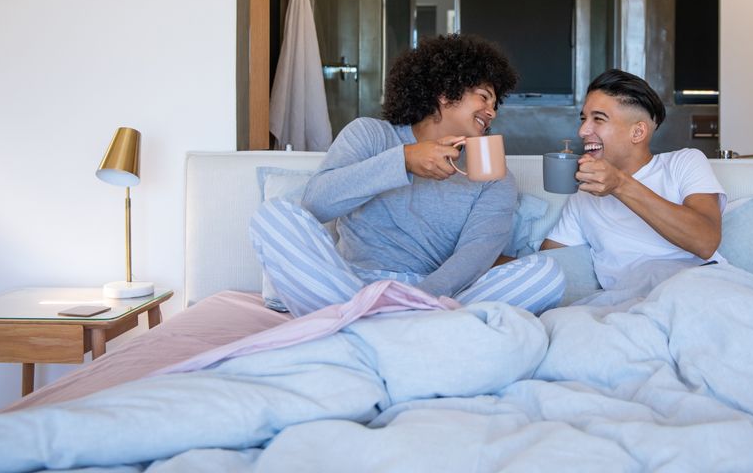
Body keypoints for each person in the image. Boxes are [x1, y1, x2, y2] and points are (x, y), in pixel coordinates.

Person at [250, 34, 565, 317]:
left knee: (546, 275)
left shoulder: (494, 174)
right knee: (273, 215)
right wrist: (403, 161)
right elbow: (315, 204)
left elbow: (476, 253)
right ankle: (390, 326)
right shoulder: (370, 135)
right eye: (484, 97)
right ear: (445, 93)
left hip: (434, 297)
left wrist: (418, 299)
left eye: (496, 105)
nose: (492, 111)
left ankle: (375, 324)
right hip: (349, 288)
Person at [540, 69, 726, 299]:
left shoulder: (683, 163)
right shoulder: (584, 194)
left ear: (637, 132)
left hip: (699, 290)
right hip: (630, 303)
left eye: (598, 119)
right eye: (583, 119)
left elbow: (705, 241)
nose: (582, 131)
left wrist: (620, 184)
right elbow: (547, 264)